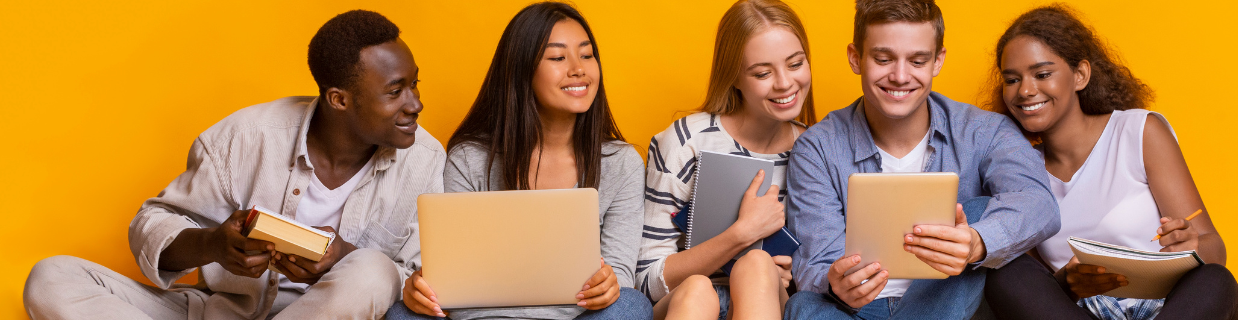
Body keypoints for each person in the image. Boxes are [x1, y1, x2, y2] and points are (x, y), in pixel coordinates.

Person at [23, 10, 443, 319]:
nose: (416, 104)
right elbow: (154, 222)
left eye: (414, 83)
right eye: (396, 92)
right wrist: (214, 246)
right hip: (218, 312)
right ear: (339, 99)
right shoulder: (244, 137)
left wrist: (344, 258)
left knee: (372, 268)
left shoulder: (424, 160)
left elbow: (421, 280)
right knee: (51, 277)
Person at [782, 0, 1060, 318]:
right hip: (858, 310)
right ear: (856, 58)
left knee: (978, 211)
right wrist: (835, 283)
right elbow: (814, 265)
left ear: (937, 62)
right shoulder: (816, 148)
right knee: (803, 305)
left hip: (945, 301)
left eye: (917, 60)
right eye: (884, 59)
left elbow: (1040, 203)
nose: (900, 76)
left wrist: (976, 242)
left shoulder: (985, 131)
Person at [384, 2, 651, 320]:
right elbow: (452, 280)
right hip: (482, 317)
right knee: (403, 312)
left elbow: (620, 275)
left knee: (631, 304)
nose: (578, 68)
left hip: (577, 318)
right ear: (521, 71)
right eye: (557, 57)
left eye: (587, 54)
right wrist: (423, 291)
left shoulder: (622, 163)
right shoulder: (470, 159)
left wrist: (608, 285)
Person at [981, 5, 1238, 320]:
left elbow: (1216, 251)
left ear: (1080, 75)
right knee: (1004, 273)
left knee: (1217, 281)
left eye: (1042, 74)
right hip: (1084, 313)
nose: (1024, 90)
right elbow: (1038, 292)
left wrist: (1191, 247)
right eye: (1011, 79)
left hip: (1169, 308)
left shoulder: (1138, 131)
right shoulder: (1018, 172)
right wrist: (1067, 282)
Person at [635, 1, 816, 319]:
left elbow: (821, 280)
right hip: (687, 303)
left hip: (767, 302)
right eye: (762, 72)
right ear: (733, 77)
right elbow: (646, 281)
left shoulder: (815, 150)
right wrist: (741, 234)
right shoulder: (686, 142)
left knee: (758, 267)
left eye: (795, 64)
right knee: (696, 290)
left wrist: (789, 276)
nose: (785, 83)